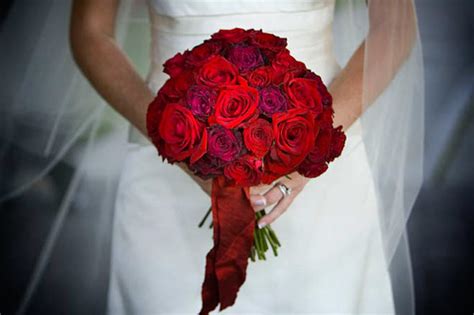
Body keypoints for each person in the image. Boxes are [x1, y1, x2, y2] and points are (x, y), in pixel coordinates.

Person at [67, 0, 422, 313]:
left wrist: (312, 146)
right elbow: (90, 32)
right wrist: (176, 140)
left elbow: (395, 25)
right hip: (166, 174)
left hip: (324, 176)